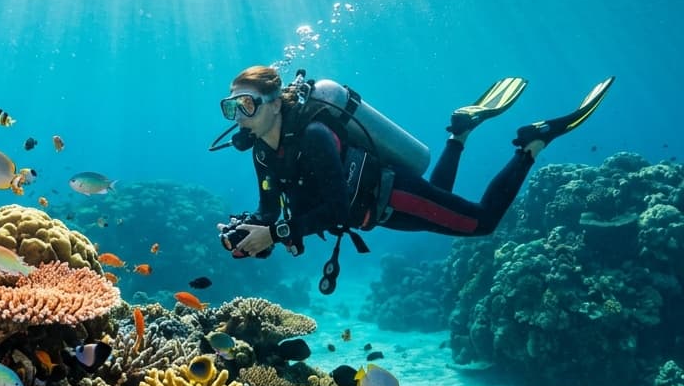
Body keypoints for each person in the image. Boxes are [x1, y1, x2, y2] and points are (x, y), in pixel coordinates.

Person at [216, 66, 614, 276]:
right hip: (379, 212)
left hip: (390, 196)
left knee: (481, 223)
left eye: (246, 105)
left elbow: (336, 211)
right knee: (437, 195)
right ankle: (459, 133)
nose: (239, 117)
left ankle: (533, 143)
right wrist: (249, 233)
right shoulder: (264, 154)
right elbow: (270, 212)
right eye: (230, 108)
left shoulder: (315, 135)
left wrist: (276, 232)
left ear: (273, 104)